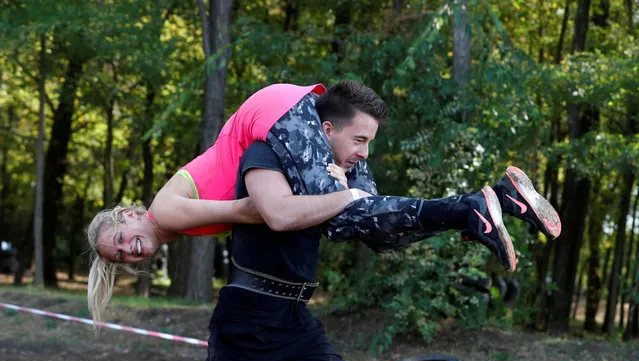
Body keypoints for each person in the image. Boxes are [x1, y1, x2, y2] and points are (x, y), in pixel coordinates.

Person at [87, 82, 561, 326]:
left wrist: (325, 198)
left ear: (129, 215)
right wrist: (334, 196)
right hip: (285, 119)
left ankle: (470, 209)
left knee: (342, 215)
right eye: (121, 258)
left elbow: (251, 211)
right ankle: (497, 202)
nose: (130, 251)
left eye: (122, 240)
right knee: (376, 232)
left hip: (271, 113)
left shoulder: (162, 212)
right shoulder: (167, 225)